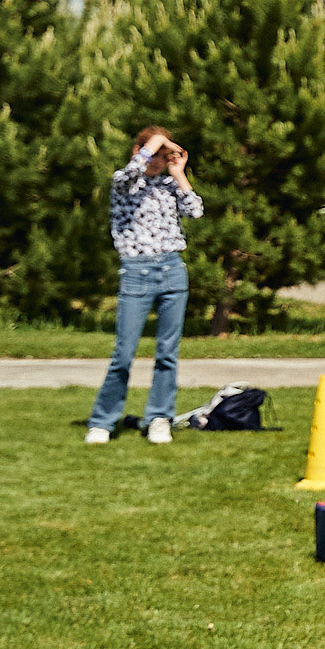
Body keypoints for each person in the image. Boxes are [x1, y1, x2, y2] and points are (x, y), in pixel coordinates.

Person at [86, 127, 205, 445]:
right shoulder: (124, 182)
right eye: (154, 154)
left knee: (167, 352)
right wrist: (155, 143)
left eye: (163, 156)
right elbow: (131, 172)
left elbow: (195, 210)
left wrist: (178, 172)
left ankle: (159, 417)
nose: (157, 161)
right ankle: (102, 421)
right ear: (139, 151)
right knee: (123, 354)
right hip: (136, 272)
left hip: (172, 270)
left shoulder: (169, 184)